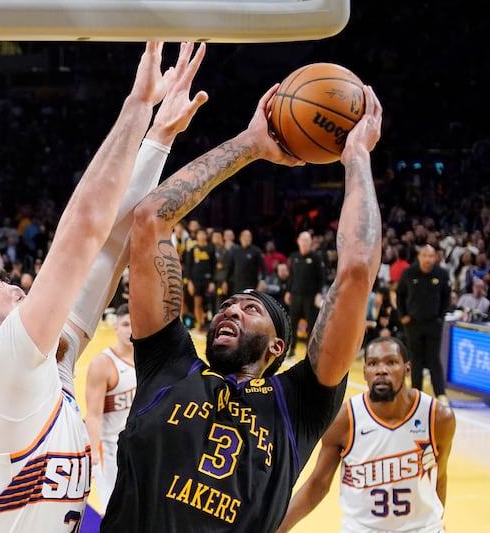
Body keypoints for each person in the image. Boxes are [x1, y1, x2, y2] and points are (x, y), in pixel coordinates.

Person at [0, 41, 208, 532]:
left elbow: (109, 248)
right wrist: (137, 105)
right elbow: (85, 228)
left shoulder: (46, 370)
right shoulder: (5, 373)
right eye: (19, 301)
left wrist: (160, 137)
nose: (35, 300)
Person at [100, 84, 383, 532]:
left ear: (277, 346)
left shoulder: (299, 405)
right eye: (228, 304)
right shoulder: (169, 367)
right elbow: (151, 218)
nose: (230, 310)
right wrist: (249, 145)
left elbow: (356, 272)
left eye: (250, 308)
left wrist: (358, 159)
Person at [277, 336, 456, 533]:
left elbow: (439, 477)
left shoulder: (437, 417)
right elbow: (317, 485)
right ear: (365, 373)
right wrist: (278, 528)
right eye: (373, 363)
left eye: (391, 362)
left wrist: (437, 521)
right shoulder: (345, 419)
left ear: (407, 369)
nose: (381, 370)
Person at [84, 303, 135, 511]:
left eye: (135, 324)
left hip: (139, 448)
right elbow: (93, 415)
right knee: (115, 511)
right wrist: (92, 454)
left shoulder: (148, 359)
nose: (131, 330)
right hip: (111, 450)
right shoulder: (103, 363)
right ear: (115, 328)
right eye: (125, 324)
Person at [396, 243, 451, 405]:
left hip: (433, 323)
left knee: (434, 359)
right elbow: (399, 295)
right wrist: (403, 316)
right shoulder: (408, 273)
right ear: (419, 257)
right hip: (413, 323)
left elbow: (446, 298)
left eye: (431, 256)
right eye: (425, 256)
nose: (428, 259)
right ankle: (416, 392)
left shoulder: (441, 274)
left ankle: (440, 393)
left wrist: (441, 317)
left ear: (435, 258)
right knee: (415, 359)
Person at [285, 230, 327, 358]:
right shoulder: (294, 257)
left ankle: (309, 353)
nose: (304, 243)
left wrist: (319, 294)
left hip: (310, 296)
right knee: (292, 323)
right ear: (298, 241)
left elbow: (322, 278)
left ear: (310, 242)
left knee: (311, 324)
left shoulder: (316, 258)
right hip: (296, 295)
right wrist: (288, 291)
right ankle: (291, 350)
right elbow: (291, 276)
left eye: (307, 240)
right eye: (302, 240)